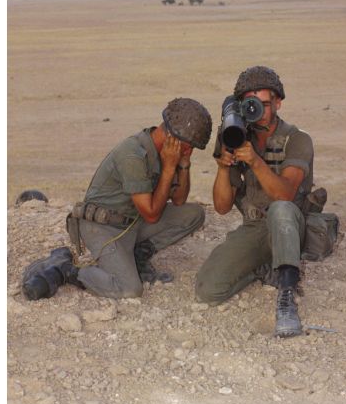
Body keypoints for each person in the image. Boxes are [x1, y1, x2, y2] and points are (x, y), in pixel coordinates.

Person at [23, 98, 212, 300]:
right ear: (172, 138)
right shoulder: (133, 155)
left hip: (132, 221)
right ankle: (65, 269)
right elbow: (151, 214)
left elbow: (179, 201)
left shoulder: (166, 153)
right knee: (129, 288)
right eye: (188, 146)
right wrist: (168, 168)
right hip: (102, 226)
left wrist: (183, 165)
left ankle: (137, 256)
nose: (190, 152)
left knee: (193, 214)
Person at [195, 66, 314, 337]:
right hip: (255, 226)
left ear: (278, 103)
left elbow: (285, 194)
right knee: (208, 290)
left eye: (264, 105)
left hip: (290, 225)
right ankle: (264, 266)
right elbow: (223, 207)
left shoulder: (297, 139)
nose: (256, 112)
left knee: (282, 209)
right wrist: (224, 167)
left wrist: (255, 161)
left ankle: (286, 296)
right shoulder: (235, 134)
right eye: (250, 105)